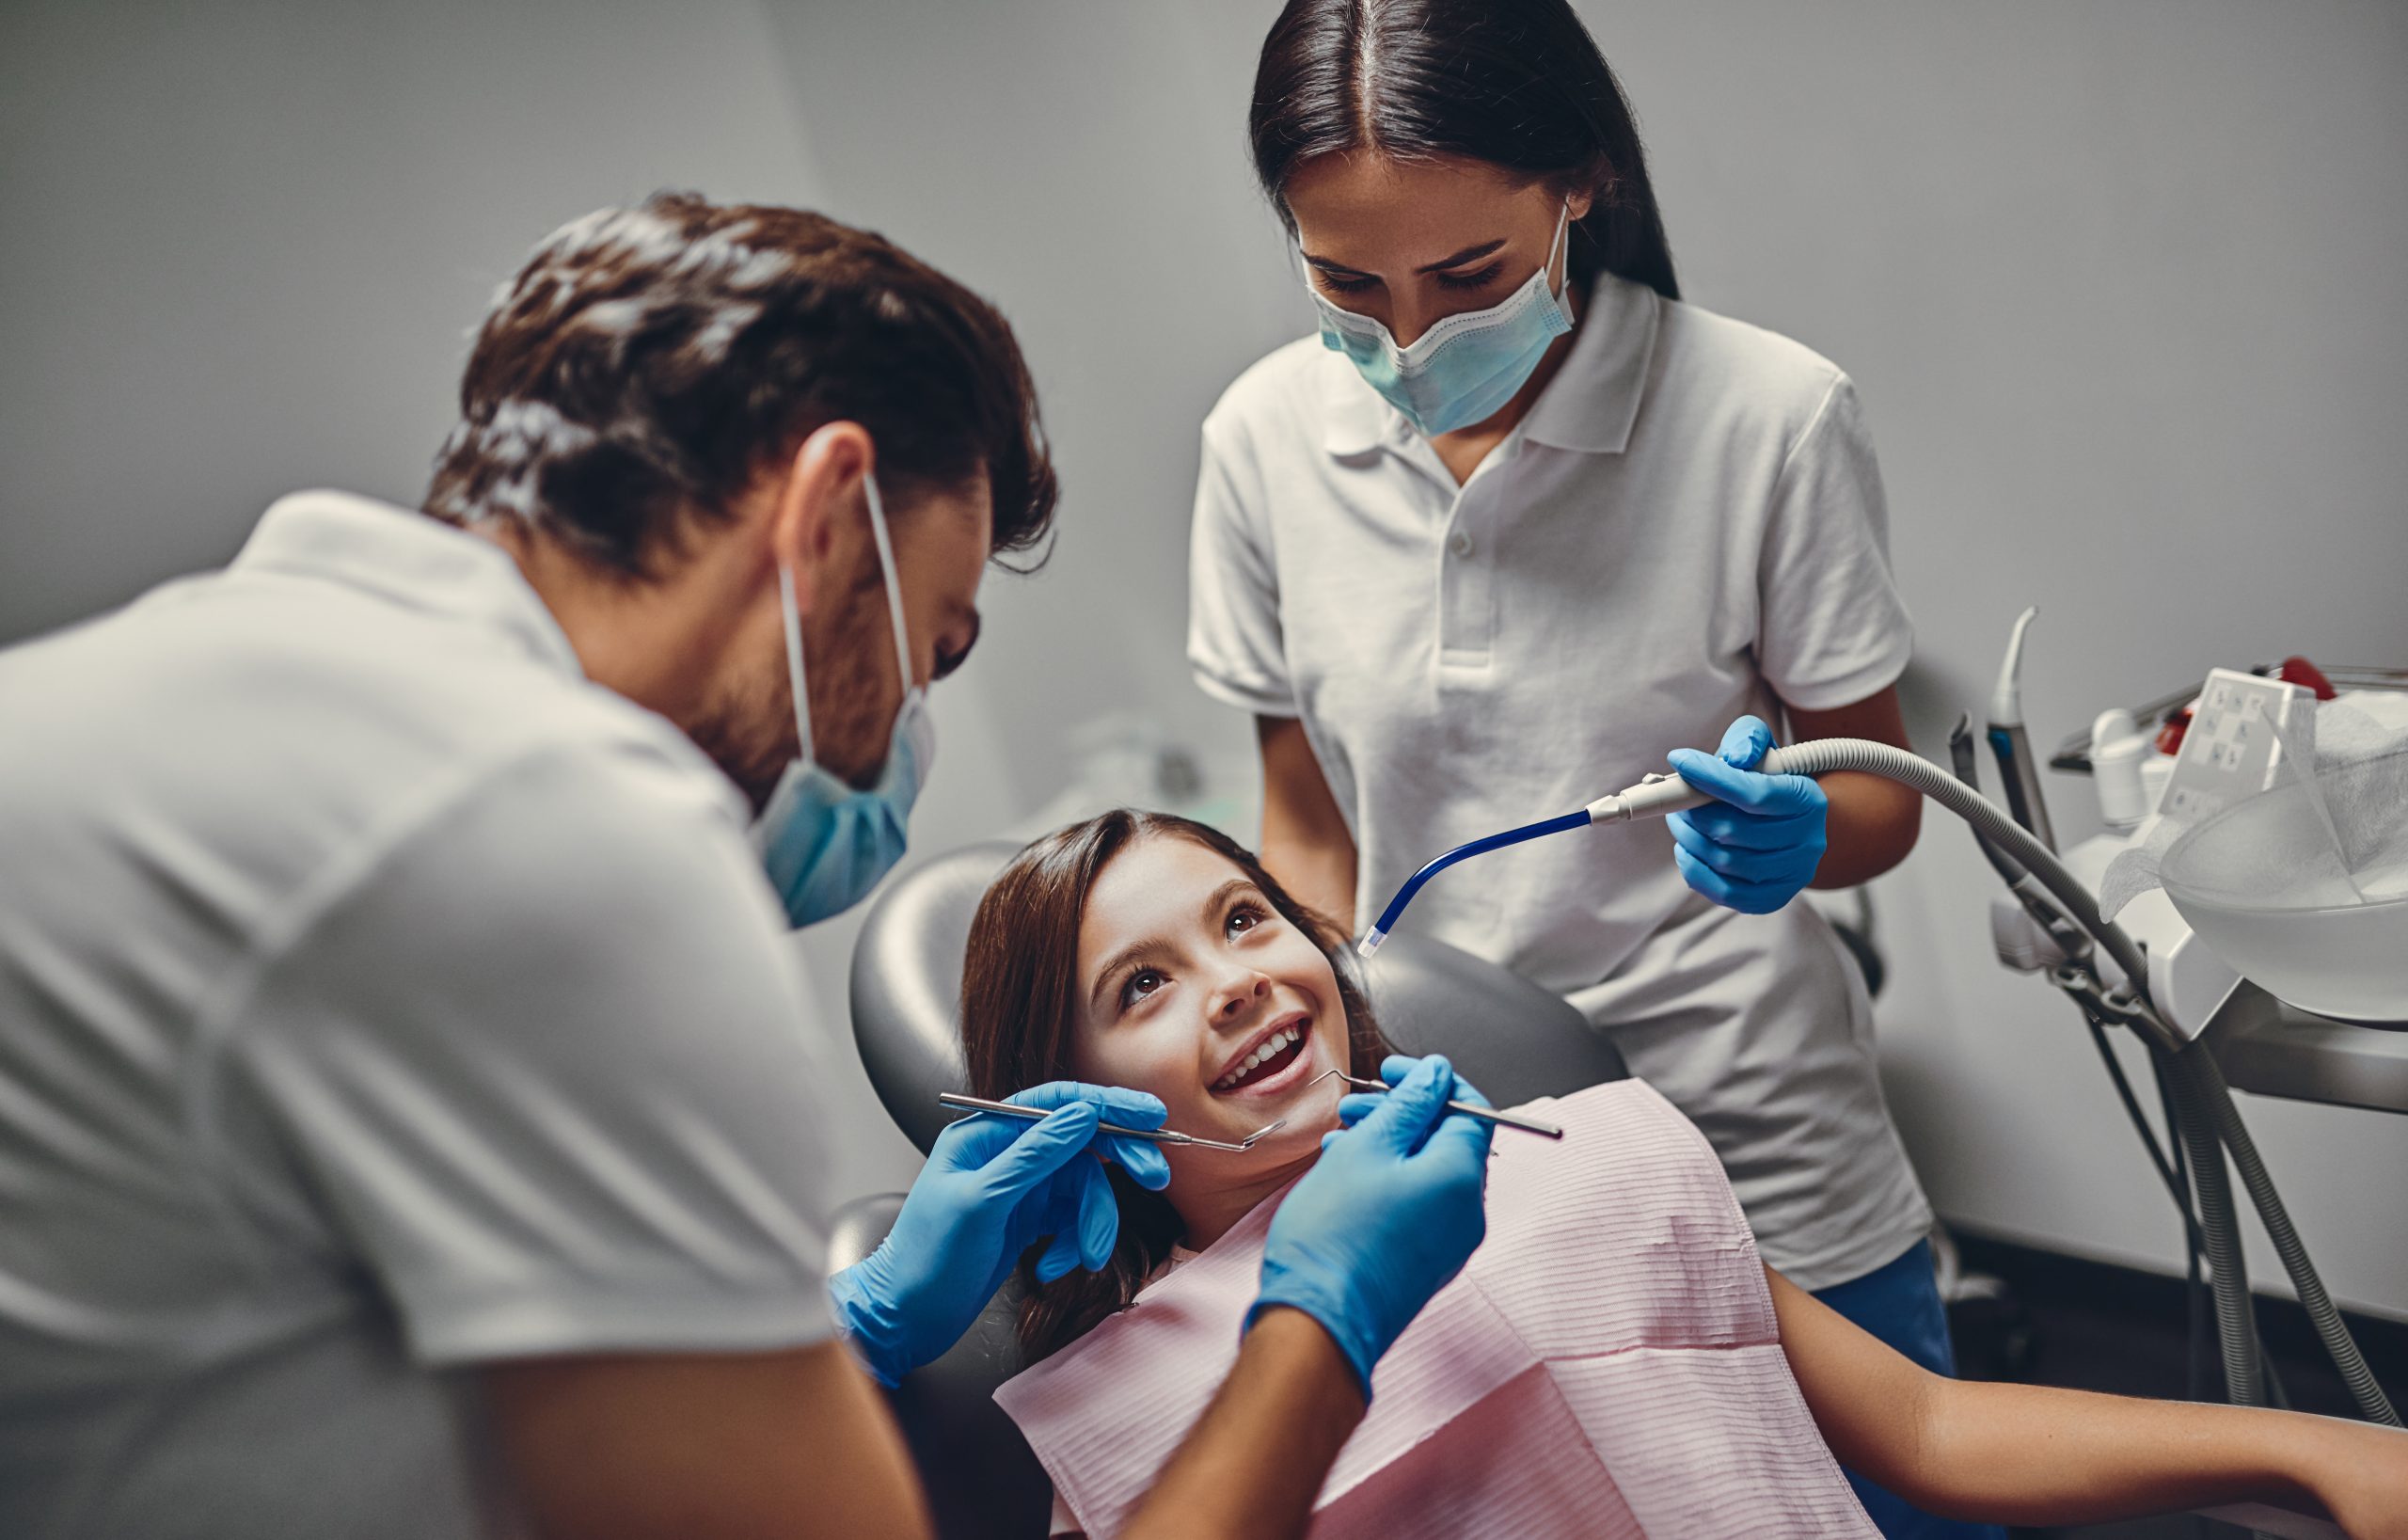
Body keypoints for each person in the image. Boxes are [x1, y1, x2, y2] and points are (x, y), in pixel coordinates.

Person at [0, 194, 1488, 1540]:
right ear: (832, 516)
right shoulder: (547, 824)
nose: (902, 732)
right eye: (927, 649)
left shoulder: (233, 686)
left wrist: (858, 1327)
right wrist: (1320, 1324)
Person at [1187, 2, 1959, 1532]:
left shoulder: (1765, 415)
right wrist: (1299, 1062)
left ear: (1582, 181)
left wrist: (1797, 835)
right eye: (1348, 283)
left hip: (1753, 1135)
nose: (1406, 340)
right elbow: (1303, 818)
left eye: (1466, 276)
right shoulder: (1261, 442)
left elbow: (1876, 793)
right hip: (1456, 1155)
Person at [959, 810, 2408, 1540]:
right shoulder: (1122, 1411)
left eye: (1246, 917)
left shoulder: (1598, 1156)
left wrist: (2303, 1446)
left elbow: (1925, 1420)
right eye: (1144, 981)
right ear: (1060, 1102)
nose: (1232, 979)